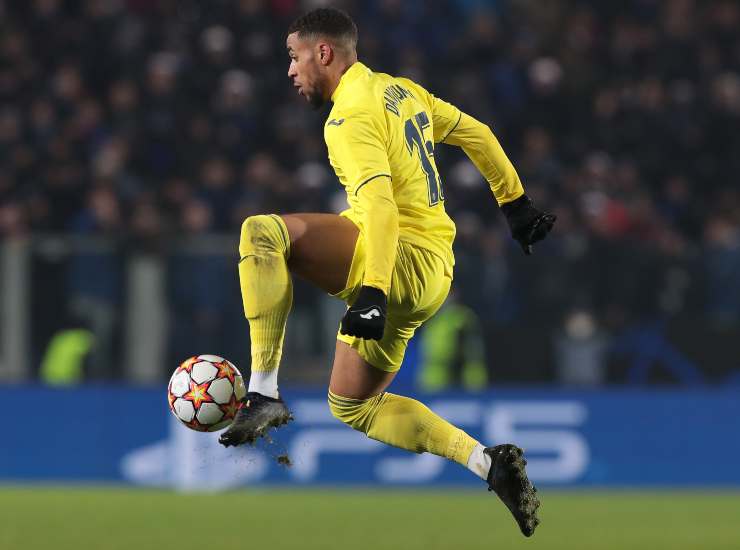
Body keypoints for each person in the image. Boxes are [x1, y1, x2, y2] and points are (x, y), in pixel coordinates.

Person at [219, 7, 554, 537]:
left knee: (262, 233)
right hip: (434, 273)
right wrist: (515, 204)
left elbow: (379, 208)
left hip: (394, 259)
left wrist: (371, 290)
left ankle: (262, 390)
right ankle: (488, 464)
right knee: (353, 406)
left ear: (322, 53)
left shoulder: (348, 116)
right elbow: (477, 133)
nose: (290, 70)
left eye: (293, 56)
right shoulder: (402, 92)